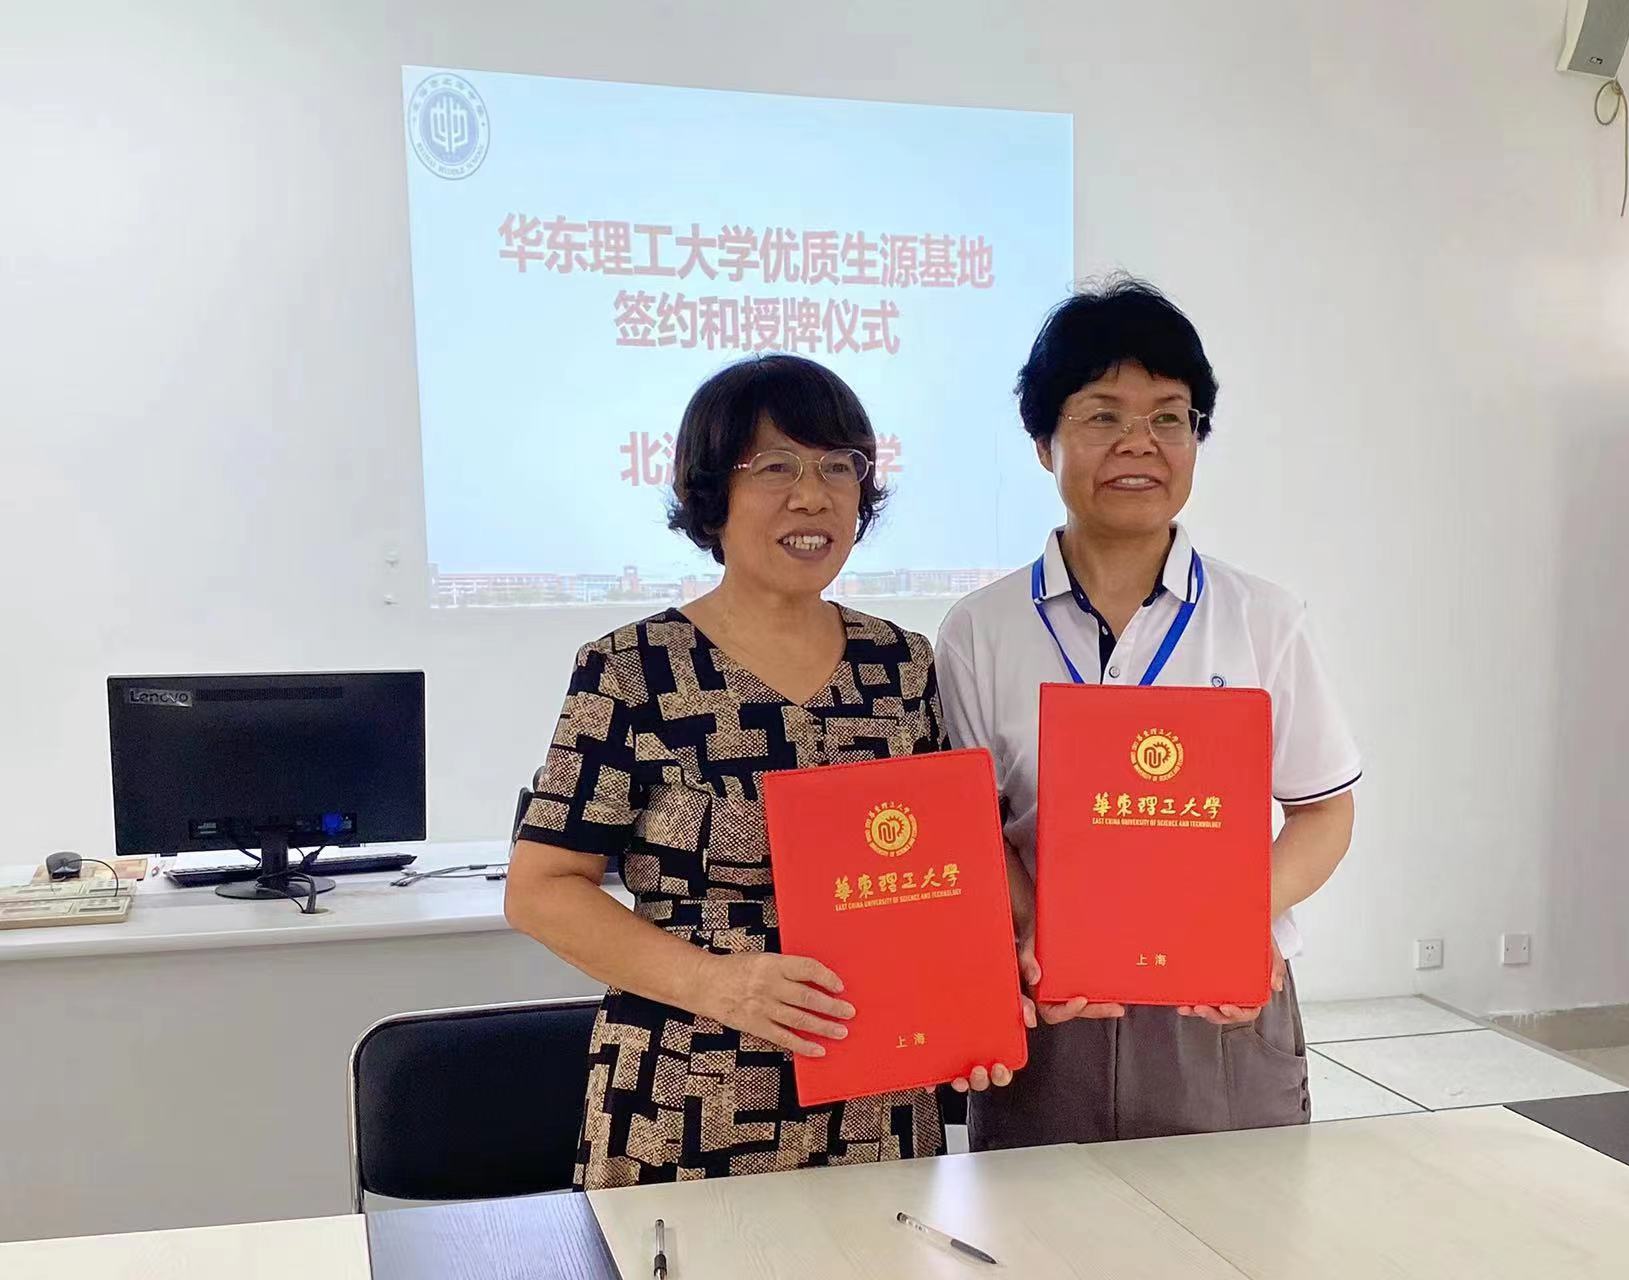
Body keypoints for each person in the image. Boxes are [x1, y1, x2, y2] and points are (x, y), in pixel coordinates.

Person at [506, 354, 1020, 1188]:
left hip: (877, 1094)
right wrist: (721, 985)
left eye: (838, 467)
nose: (813, 496)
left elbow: (946, 874)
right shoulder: (633, 670)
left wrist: (975, 1011)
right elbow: (541, 890)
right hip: (687, 1095)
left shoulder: (900, 664)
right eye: (775, 466)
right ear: (713, 495)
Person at [936, 278, 1360, 1148]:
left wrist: (1236, 918)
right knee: (1042, 1221)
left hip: (1221, 1007)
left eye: (1170, 418)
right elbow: (972, 830)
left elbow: (1324, 809)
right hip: (1051, 1003)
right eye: (1103, 416)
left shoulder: (1263, 617)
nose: (1140, 443)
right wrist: (1039, 929)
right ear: (1044, 442)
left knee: (1233, 1220)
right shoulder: (979, 630)